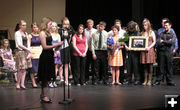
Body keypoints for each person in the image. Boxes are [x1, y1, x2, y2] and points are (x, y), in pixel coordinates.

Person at [38, 17, 63, 103]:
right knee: (44, 76)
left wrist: (57, 47)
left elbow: (50, 44)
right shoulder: (42, 33)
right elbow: (44, 46)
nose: (51, 26)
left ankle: (42, 94)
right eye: (50, 24)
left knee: (48, 76)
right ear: (45, 24)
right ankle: (44, 95)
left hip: (50, 55)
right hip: (45, 56)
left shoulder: (48, 33)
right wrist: (56, 45)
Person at [154, 21, 176, 86]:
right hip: (161, 52)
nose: (165, 26)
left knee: (169, 67)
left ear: (170, 26)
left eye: (167, 25)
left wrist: (163, 41)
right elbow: (158, 42)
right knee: (160, 67)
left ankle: (170, 81)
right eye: (165, 25)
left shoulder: (172, 34)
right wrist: (166, 42)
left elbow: (171, 42)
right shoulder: (161, 34)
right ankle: (158, 80)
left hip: (169, 52)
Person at [15, 20, 32, 89]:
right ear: (20, 26)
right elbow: (19, 44)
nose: (24, 26)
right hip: (20, 52)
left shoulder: (26, 33)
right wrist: (28, 50)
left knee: (25, 69)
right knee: (21, 69)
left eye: (25, 25)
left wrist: (29, 51)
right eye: (23, 25)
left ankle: (22, 83)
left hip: (26, 52)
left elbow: (28, 43)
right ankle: (17, 83)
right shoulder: (17, 33)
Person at [58, 17, 75, 85]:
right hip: (60, 48)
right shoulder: (59, 31)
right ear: (62, 24)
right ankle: (61, 79)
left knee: (66, 64)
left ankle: (66, 80)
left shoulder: (69, 31)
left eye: (67, 24)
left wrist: (68, 35)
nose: (66, 26)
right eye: (65, 24)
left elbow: (69, 40)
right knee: (61, 65)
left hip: (66, 48)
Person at [124, 21, 141, 85]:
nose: (130, 30)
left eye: (132, 28)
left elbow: (140, 43)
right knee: (128, 66)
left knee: (136, 66)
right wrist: (125, 46)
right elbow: (122, 41)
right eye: (129, 28)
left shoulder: (138, 33)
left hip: (135, 53)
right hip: (128, 52)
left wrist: (138, 48)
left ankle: (137, 79)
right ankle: (128, 79)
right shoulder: (127, 33)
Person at [140, 19, 156, 86]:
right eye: (143, 25)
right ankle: (145, 80)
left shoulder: (151, 32)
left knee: (150, 66)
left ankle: (149, 80)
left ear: (148, 25)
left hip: (150, 50)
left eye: (145, 25)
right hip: (144, 51)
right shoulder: (142, 33)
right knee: (145, 66)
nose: (144, 26)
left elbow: (154, 41)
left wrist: (149, 47)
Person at [49, 21, 62, 88]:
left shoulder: (58, 35)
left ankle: (54, 81)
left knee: (56, 67)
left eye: (55, 26)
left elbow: (59, 44)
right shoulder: (49, 34)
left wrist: (57, 51)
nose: (54, 27)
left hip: (57, 52)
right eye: (52, 26)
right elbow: (49, 44)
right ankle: (50, 81)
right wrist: (53, 51)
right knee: (51, 67)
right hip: (51, 51)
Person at [84, 19, 97, 84]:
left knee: (93, 65)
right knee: (86, 65)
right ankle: (86, 78)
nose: (90, 25)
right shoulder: (84, 31)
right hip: (86, 49)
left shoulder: (95, 31)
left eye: (91, 24)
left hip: (93, 49)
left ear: (93, 24)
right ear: (87, 24)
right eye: (89, 24)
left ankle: (94, 79)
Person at [28, 22, 40, 88]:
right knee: (33, 69)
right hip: (33, 53)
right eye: (34, 27)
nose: (35, 28)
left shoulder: (40, 35)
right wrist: (30, 54)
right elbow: (28, 45)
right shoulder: (30, 35)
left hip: (40, 52)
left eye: (36, 27)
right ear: (32, 28)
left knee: (40, 68)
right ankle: (33, 82)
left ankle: (39, 81)